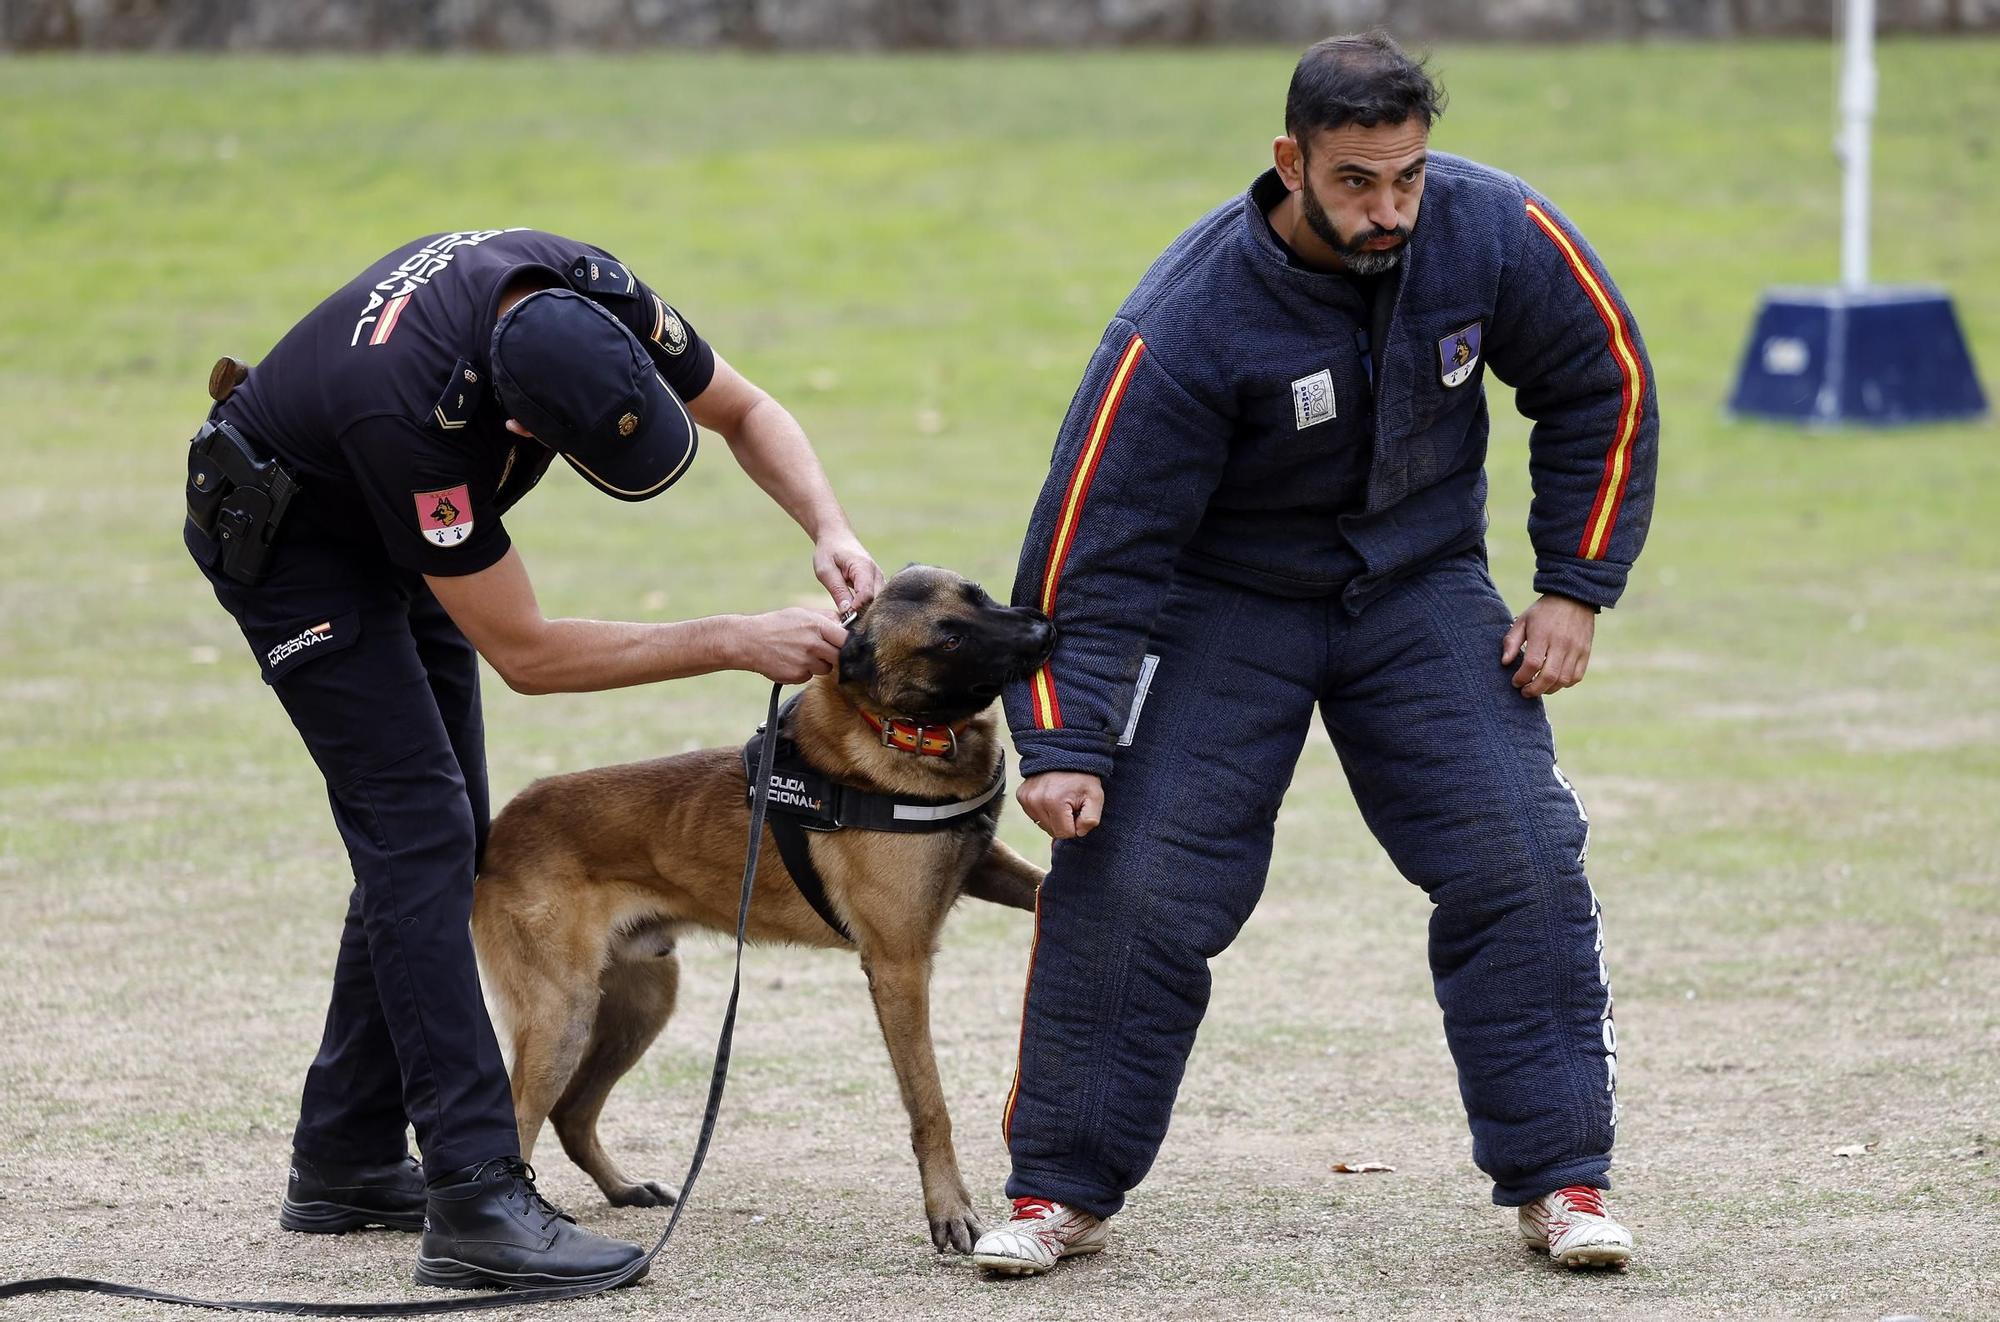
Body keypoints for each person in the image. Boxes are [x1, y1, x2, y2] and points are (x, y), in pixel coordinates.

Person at [973, 32, 1656, 1277]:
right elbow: (1095, 537)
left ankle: (1562, 1180)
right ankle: (1054, 1191)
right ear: (1288, 160)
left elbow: (1600, 377)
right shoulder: (1187, 317)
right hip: (1224, 603)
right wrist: (1066, 740)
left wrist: (1574, 584)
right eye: (1353, 181)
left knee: (1520, 851)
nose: (1385, 208)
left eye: (1405, 178)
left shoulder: (1493, 228)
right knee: (1128, 876)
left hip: (1420, 587)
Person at [182, 227, 882, 1291]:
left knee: (442, 829)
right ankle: (474, 1199)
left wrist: (825, 525)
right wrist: (732, 638)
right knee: (417, 833)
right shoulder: (410, 417)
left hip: (386, 518)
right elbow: (527, 652)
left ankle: (346, 1155)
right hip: (295, 543)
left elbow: (743, 408)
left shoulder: (579, 284)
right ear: (517, 423)